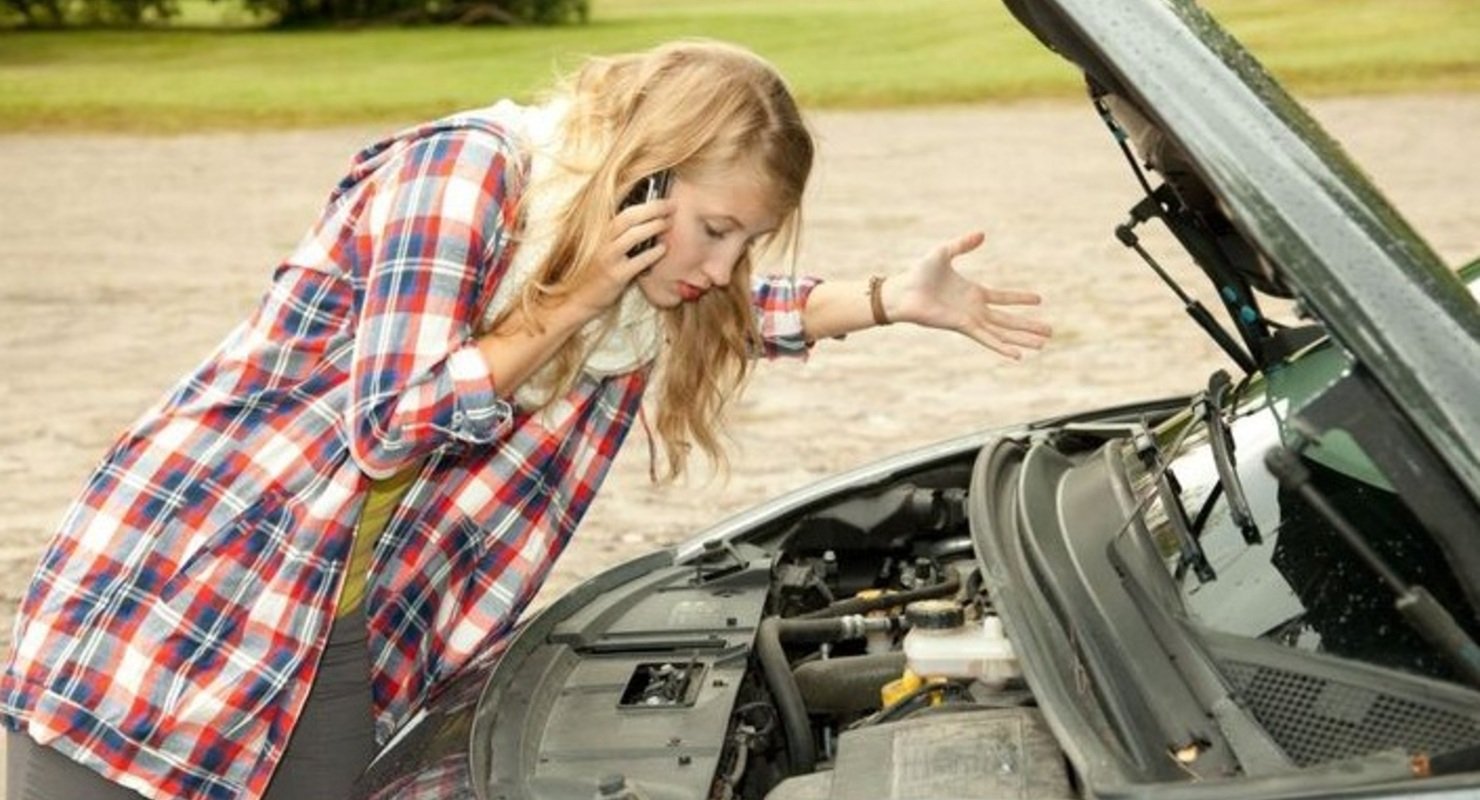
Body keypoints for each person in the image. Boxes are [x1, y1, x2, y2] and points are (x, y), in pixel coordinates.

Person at [0, 39, 1051, 800]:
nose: (724, 265)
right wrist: (571, 300)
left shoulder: (626, 287)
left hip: (339, 623)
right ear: (642, 174)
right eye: (717, 228)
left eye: (748, 239)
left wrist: (884, 297)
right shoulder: (468, 174)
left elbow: (719, 308)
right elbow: (392, 421)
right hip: (194, 581)